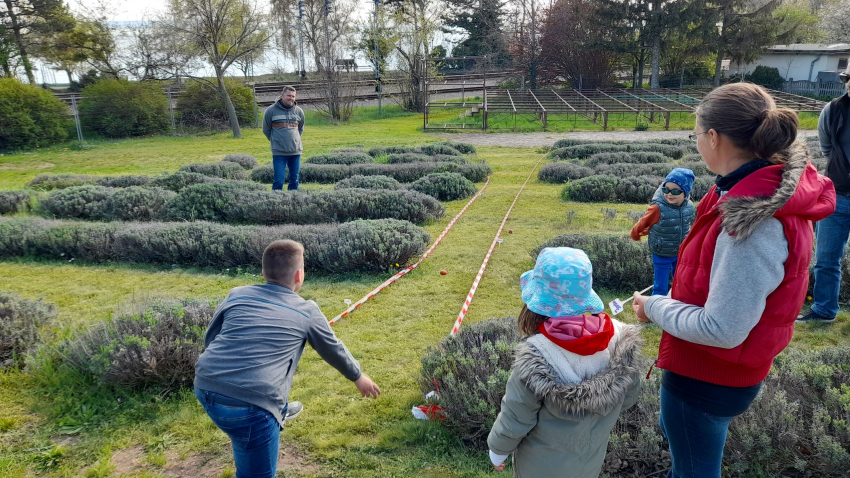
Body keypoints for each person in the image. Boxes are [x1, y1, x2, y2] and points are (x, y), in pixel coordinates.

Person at [632, 83, 835, 478]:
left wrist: (655, 306)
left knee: (693, 468)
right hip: (722, 374)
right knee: (689, 453)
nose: (697, 143)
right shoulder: (755, 189)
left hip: (707, 378)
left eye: (696, 134)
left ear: (713, 137)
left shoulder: (750, 222)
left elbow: (723, 329)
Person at [194, 240, 381, 478]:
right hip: (251, 408)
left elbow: (211, 336)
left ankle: (278, 410)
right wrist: (358, 377)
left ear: (263, 273)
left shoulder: (237, 294)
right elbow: (333, 348)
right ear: (299, 275)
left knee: (248, 417)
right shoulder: (307, 310)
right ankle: (268, 416)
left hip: (204, 386)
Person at [487, 247, 643, 477]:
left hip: (538, 467)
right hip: (589, 461)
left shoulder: (537, 356)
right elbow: (628, 398)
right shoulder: (618, 342)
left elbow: (516, 414)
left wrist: (498, 451)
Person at [799, 65, 850, 324]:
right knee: (826, 259)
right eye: (846, 77)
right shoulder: (831, 110)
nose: (849, 82)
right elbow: (827, 150)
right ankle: (824, 310)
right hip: (838, 196)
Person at [630, 168, 697, 296]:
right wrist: (636, 233)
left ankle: (676, 306)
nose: (669, 194)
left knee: (681, 282)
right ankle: (655, 311)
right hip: (661, 252)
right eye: (665, 190)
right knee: (660, 285)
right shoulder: (657, 208)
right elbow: (643, 223)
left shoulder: (689, 207)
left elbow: (691, 225)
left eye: (675, 191)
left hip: (681, 252)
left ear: (686, 192)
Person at [262, 86, 305, 191]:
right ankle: (276, 203)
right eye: (289, 95)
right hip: (279, 152)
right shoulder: (271, 111)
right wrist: (276, 141)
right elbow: (266, 130)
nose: (291, 98)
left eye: (293, 96)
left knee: (294, 180)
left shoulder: (299, 111)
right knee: (278, 180)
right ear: (282, 95)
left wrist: (294, 141)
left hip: (295, 152)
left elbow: (300, 129)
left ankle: (292, 202)